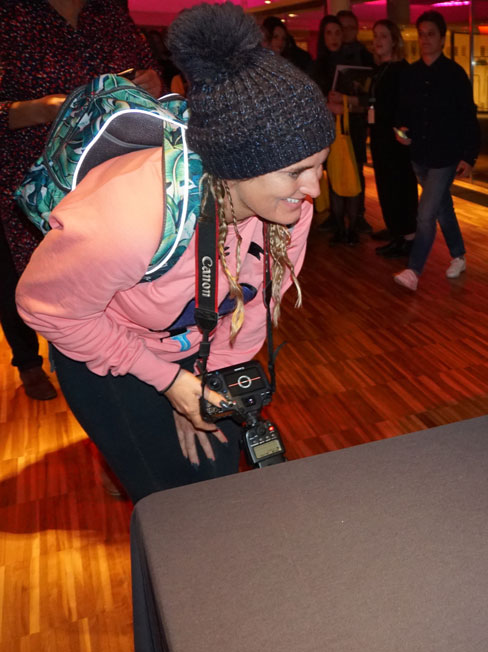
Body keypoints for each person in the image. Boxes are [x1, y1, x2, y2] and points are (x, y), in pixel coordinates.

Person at [15, 2, 334, 503]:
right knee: (172, 503)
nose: (313, 189)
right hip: (105, 347)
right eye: (296, 172)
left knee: (219, 482)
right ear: (237, 164)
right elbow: (45, 310)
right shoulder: (130, 218)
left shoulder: (286, 210)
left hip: (200, 350)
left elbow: (251, 313)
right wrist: (169, 384)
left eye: (320, 165)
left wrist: (200, 385)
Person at [0, 0, 161, 400]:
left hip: (116, 178)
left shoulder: (109, 9)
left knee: (120, 282)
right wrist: (34, 110)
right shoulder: (10, 15)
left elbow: (146, 70)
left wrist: (150, 82)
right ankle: (37, 364)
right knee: (47, 290)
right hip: (38, 187)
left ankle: (130, 376)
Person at [391, 11, 480, 292]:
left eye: (431, 34)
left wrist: (469, 156)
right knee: (442, 207)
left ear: (442, 38)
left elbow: (468, 116)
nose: (425, 39)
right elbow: (401, 113)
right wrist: (400, 132)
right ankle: (458, 255)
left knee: (426, 213)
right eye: (422, 34)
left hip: (445, 156)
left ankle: (414, 270)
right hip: (419, 155)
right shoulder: (411, 74)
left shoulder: (454, 75)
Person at [312, 14, 368, 245]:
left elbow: (365, 100)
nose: (334, 37)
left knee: (353, 172)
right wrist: (328, 104)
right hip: (327, 127)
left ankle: (352, 227)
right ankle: (338, 225)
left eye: (338, 32)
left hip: (351, 126)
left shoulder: (355, 60)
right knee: (333, 174)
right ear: (322, 36)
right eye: (329, 33)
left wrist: (345, 101)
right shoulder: (317, 65)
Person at [368, 19, 418, 259]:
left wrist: (400, 133)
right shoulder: (380, 70)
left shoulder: (402, 70)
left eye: (383, 36)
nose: (378, 41)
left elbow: (404, 109)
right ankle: (397, 232)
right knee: (386, 187)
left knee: (400, 186)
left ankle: (408, 237)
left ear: (394, 41)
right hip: (381, 138)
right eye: (376, 36)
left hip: (396, 142)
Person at [336, 8, 375, 237]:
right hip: (335, 121)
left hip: (358, 122)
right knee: (335, 168)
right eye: (344, 28)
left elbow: (370, 95)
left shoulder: (365, 56)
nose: (347, 32)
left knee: (357, 166)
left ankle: (358, 214)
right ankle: (338, 216)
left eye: (351, 27)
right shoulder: (331, 54)